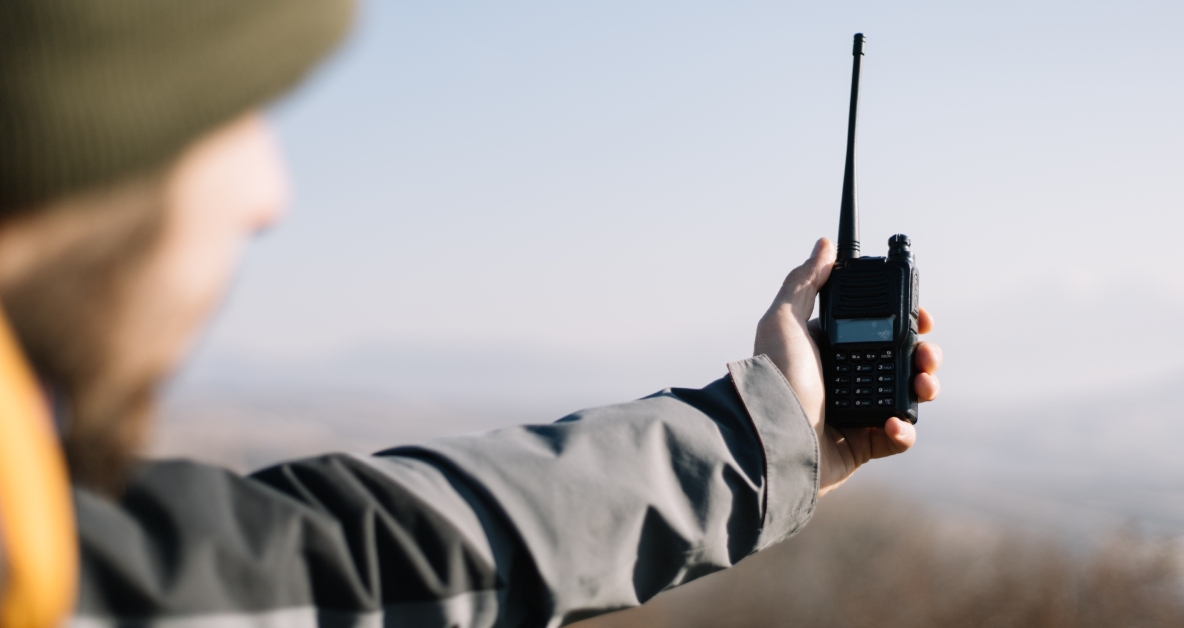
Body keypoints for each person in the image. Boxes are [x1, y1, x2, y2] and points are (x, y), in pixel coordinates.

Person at [0, 2, 943, 627]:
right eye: (225, 116)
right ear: (66, 144)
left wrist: (767, 439)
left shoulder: (56, 566)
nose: (269, 194)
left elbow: (367, 557)